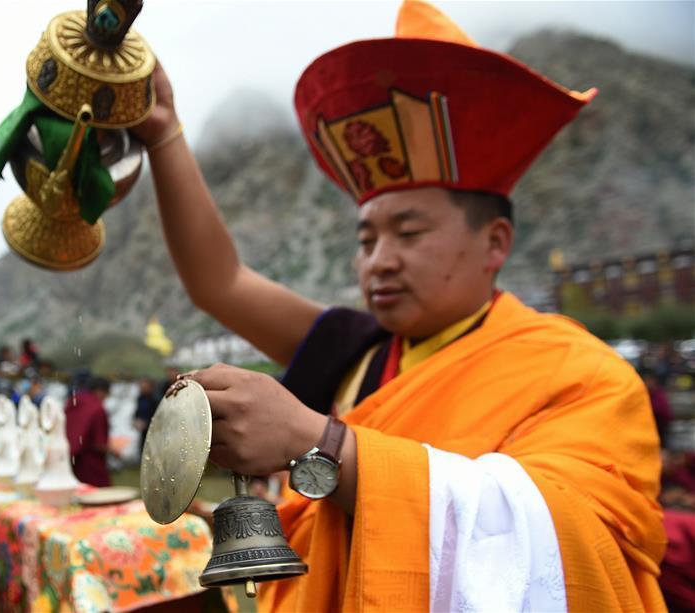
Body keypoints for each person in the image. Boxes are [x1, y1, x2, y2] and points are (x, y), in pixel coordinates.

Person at [129, 1, 665, 609]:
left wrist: (321, 443)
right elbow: (218, 282)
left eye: (408, 234)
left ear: (495, 243)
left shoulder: (579, 375)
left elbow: (564, 545)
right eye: (366, 239)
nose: (379, 260)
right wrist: (164, 132)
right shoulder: (356, 348)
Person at [64, 372, 112, 487]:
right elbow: (99, 444)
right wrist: (115, 451)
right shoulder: (97, 409)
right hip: (90, 462)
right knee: (99, 497)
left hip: (69, 458)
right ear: (100, 391)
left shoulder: (73, 402)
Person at [133, 377, 159, 456]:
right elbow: (137, 413)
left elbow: (159, 418)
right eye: (141, 386)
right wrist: (136, 421)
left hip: (155, 433)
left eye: (144, 386)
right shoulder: (140, 398)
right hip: (143, 432)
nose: (142, 388)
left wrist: (146, 423)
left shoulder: (156, 399)